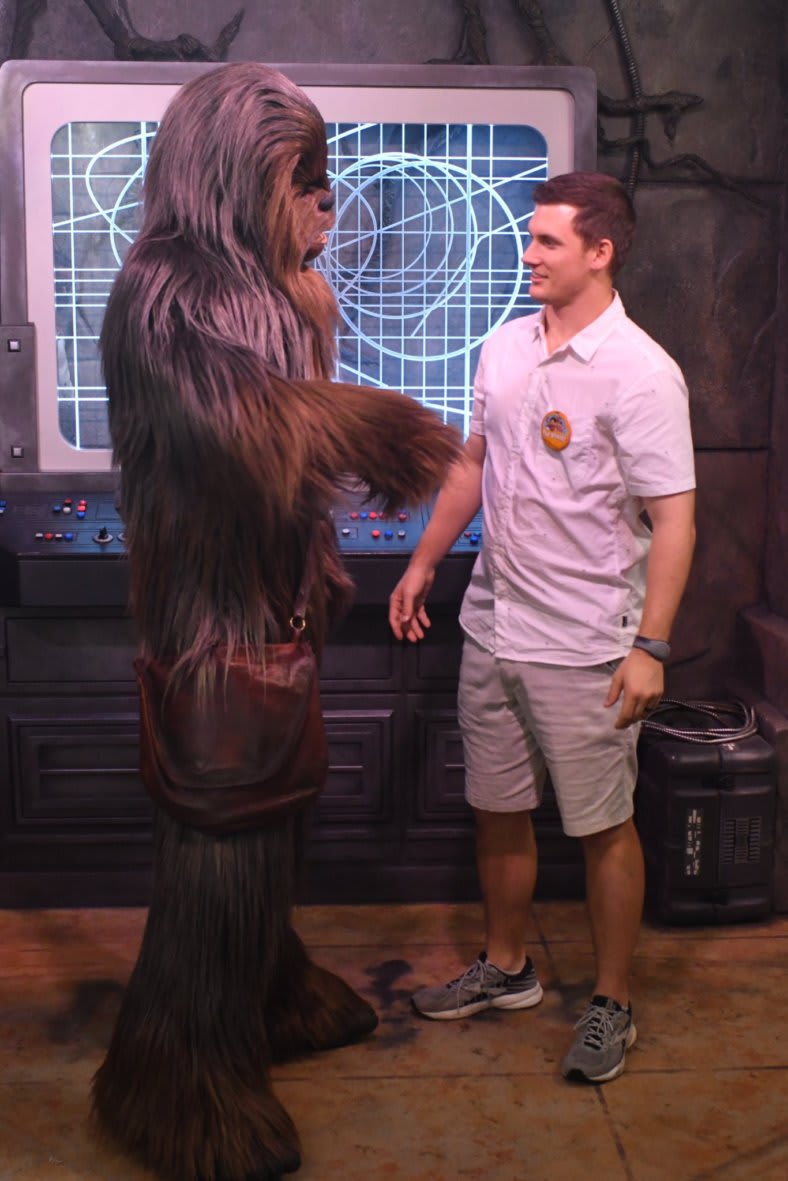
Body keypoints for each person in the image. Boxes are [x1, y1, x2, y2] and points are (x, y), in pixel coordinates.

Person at [388, 171, 696, 1084]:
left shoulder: (641, 372)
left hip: (587, 643)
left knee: (604, 827)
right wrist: (423, 560)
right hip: (494, 624)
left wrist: (651, 647)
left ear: (601, 252)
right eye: (530, 238)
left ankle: (612, 1001)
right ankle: (508, 966)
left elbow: (675, 518)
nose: (527, 255)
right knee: (498, 808)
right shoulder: (506, 345)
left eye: (547, 241)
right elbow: (473, 462)